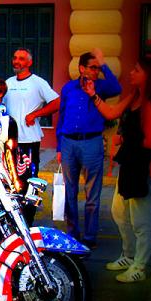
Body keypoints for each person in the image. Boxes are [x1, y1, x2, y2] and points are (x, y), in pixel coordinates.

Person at [82, 57, 151, 283]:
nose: (131, 73)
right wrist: (93, 95)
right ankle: (128, 255)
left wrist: (128, 141)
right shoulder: (134, 97)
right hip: (129, 164)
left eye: (137, 70)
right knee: (119, 212)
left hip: (142, 167)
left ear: (148, 76)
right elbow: (112, 112)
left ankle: (139, 266)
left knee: (141, 220)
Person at [56, 49, 122, 248]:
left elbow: (117, 87)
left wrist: (104, 65)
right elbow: (61, 116)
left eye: (97, 68)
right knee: (70, 191)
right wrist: (59, 146)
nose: (96, 72)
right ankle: (73, 233)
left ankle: (90, 237)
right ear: (82, 68)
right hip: (68, 143)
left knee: (92, 193)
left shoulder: (101, 87)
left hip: (92, 143)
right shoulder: (68, 88)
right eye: (92, 68)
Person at [4, 48, 60, 185]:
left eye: (21, 59)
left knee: (28, 178)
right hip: (9, 139)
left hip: (28, 139)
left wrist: (35, 114)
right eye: (15, 58)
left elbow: (57, 102)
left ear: (29, 63)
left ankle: (30, 200)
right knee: (10, 179)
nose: (16, 61)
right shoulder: (8, 82)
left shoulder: (38, 82)